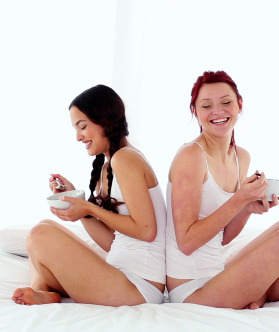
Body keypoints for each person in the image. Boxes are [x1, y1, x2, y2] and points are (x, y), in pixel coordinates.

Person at [165, 70, 279, 309]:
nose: (218, 111)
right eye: (206, 106)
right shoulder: (191, 155)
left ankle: (255, 291)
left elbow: (221, 238)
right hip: (192, 289)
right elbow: (187, 242)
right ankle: (262, 294)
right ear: (195, 112)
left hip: (218, 272)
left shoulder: (240, 156)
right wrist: (239, 199)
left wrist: (247, 208)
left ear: (239, 105)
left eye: (226, 102)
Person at [12, 84, 166, 306]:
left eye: (82, 127)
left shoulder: (126, 159)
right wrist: (80, 206)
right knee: (45, 226)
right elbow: (112, 242)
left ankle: (42, 290)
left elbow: (146, 230)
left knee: (41, 234)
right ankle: (43, 291)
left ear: (105, 120)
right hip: (121, 273)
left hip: (139, 287)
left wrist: (89, 208)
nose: (78, 137)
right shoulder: (110, 166)